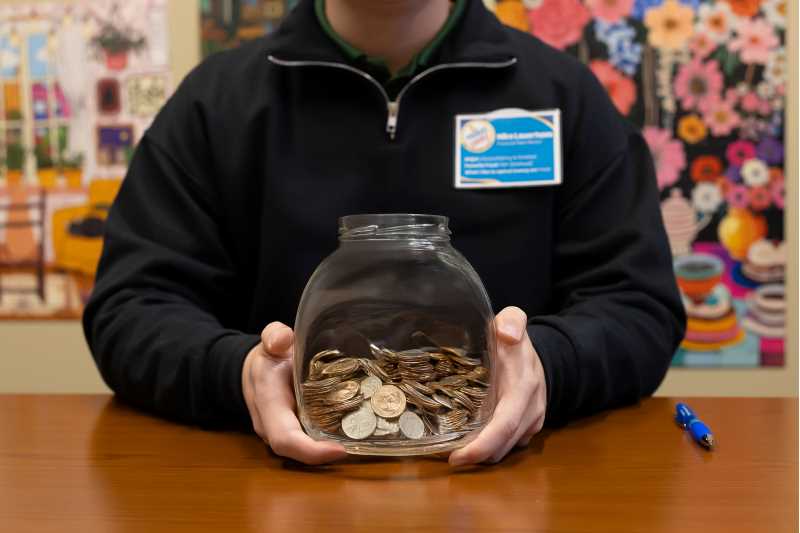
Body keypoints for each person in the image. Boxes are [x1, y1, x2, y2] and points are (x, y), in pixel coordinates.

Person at [83, 0, 686, 466]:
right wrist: (236, 372)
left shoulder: (565, 95)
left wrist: (547, 366)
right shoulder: (213, 104)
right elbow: (131, 308)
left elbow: (638, 305)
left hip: (522, 487)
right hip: (271, 489)